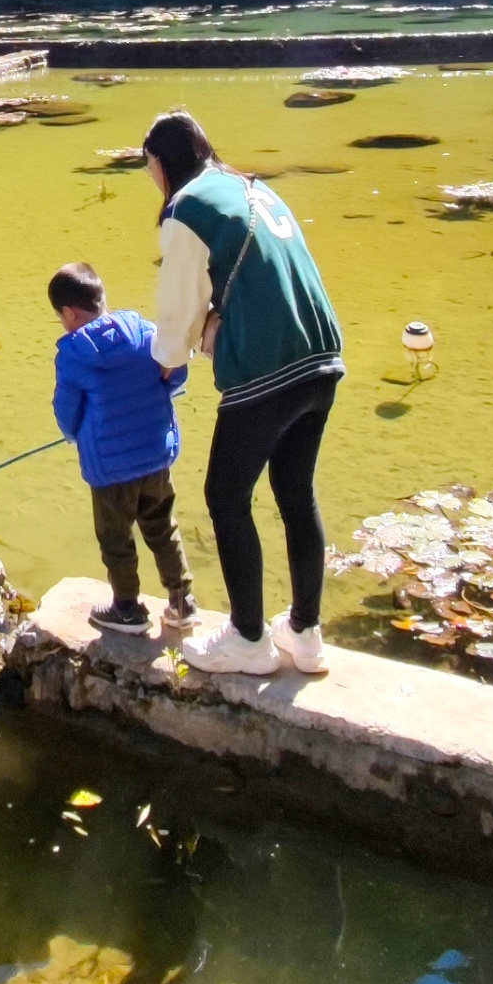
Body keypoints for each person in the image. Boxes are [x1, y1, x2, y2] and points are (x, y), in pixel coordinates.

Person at [142, 111, 347, 677]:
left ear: (160, 164)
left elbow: (178, 310)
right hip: (320, 355)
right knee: (295, 491)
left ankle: (249, 640)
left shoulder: (188, 207)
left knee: (225, 495)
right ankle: (305, 633)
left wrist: (164, 363)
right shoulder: (252, 187)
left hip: (267, 365)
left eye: (149, 167)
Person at [49, 259, 197, 639]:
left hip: (110, 470)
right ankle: (182, 602)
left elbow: (66, 411)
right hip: (154, 456)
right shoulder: (144, 330)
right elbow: (174, 371)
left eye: (60, 317)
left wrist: (73, 434)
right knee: (162, 527)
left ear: (69, 313)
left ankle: (128, 609)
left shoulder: (73, 354)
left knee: (116, 540)